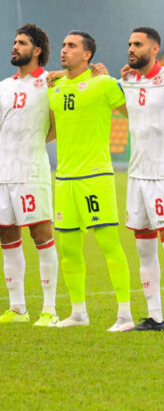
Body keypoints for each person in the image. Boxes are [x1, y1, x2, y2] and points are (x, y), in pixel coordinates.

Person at [48, 30, 134, 331]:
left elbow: (130, 113)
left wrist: (111, 79)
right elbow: (52, 129)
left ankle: (125, 315)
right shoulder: (54, 87)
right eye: (63, 45)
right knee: (69, 249)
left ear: (87, 55)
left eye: (71, 46)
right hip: (64, 178)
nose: (64, 50)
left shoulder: (104, 84)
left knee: (109, 244)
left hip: (95, 176)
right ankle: (78, 312)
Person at [120, 27, 164, 335]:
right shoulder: (128, 81)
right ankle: (154, 317)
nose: (131, 49)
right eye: (129, 44)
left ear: (155, 48)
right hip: (136, 176)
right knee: (144, 250)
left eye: (138, 44)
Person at [0, 23, 59, 326]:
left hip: (31, 172)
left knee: (41, 235)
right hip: (3, 175)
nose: (15, 46)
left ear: (37, 50)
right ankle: (18, 308)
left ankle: (49, 309)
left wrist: (34, 140)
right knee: (7, 236)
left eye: (21, 43)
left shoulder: (49, 83)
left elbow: (57, 126)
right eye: (14, 41)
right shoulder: (4, 86)